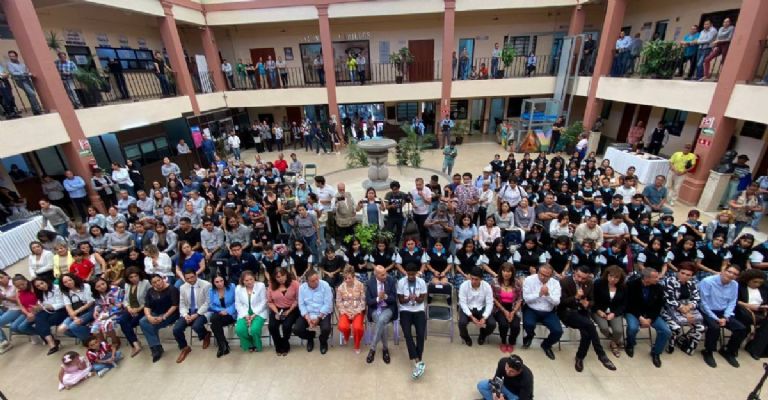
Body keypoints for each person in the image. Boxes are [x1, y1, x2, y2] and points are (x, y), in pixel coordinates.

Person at [559, 266, 617, 371]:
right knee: (590, 325)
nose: (580, 279)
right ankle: (601, 355)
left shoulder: (589, 283)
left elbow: (592, 301)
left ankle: (580, 357)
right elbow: (561, 303)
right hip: (568, 312)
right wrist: (575, 297)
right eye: (578, 276)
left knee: (587, 333)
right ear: (574, 272)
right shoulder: (564, 282)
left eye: (583, 278)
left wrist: (587, 304)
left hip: (582, 312)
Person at [699, 265, 747, 368]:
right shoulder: (707, 281)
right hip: (707, 310)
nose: (731, 275)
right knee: (714, 327)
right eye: (729, 272)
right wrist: (716, 318)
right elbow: (703, 303)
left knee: (741, 329)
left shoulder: (735, 284)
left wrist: (726, 316)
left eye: (735, 274)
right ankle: (708, 351)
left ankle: (728, 351)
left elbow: (732, 302)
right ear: (723, 271)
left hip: (724, 312)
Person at [624, 268, 670, 367]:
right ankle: (630, 344)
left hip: (650, 314)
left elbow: (658, 306)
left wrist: (650, 319)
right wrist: (640, 318)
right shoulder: (631, 285)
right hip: (634, 312)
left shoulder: (658, 287)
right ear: (646, 278)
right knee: (633, 328)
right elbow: (629, 304)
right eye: (655, 277)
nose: (658, 279)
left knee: (666, 331)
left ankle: (656, 352)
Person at [661, 262, 705, 355]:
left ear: (692, 276)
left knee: (701, 328)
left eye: (688, 275)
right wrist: (685, 312)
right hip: (669, 310)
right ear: (678, 271)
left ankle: (684, 342)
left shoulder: (692, 283)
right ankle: (671, 346)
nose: (684, 276)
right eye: (682, 273)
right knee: (676, 328)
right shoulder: (669, 281)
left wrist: (689, 307)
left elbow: (696, 298)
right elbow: (669, 300)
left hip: (689, 310)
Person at [521, 264, 562, 359]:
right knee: (528, 324)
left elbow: (557, 302)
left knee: (558, 331)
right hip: (532, 309)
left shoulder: (555, 283)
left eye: (545, 275)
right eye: (540, 273)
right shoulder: (529, 280)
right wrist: (539, 294)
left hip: (548, 312)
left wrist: (547, 295)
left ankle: (546, 345)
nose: (542, 277)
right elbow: (526, 298)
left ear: (551, 276)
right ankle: (530, 336)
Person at [172, 270, 211, 363]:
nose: (190, 280)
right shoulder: (183, 287)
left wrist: (197, 314)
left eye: (192, 277)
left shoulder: (206, 285)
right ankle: (184, 347)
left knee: (196, 326)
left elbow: (208, 303)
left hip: (202, 310)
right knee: (176, 329)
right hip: (188, 311)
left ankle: (205, 334)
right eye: (187, 278)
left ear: (196, 275)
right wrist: (185, 315)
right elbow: (182, 304)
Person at [140, 274, 180, 363]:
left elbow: (174, 306)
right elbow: (147, 306)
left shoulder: (172, 289)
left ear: (162, 279)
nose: (157, 283)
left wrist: (163, 317)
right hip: (156, 313)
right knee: (143, 321)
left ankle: (156, 349)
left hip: (170, 314)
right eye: (154, 282)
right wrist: (149, 317)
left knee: (151, 326)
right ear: (151, 284)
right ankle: (157, 347)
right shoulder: (150, 291)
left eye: (158, 280)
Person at [398, 263, 428, 378]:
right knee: (407, 334)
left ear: (416, 273)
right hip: (405, 310)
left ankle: (418, 360)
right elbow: (400, 300)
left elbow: (422, 300)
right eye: (409, 274)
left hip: (419, 310)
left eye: (413, 274)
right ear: (406, 273)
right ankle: (418, 361)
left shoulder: (421, 282)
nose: (410, 276)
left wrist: (416, 298)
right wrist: (408, 299)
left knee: (421, 334)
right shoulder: (401, 282)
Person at [294, 269, 333, 354]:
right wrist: (308, 318)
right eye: (313, 281)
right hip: (308, 313)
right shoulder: (302, 288)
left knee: (326, 329)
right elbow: (301, 305)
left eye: (317, 279)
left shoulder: (325, 285)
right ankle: (310, 337)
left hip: (322, 313)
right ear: (307, 282)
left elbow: (328, 304)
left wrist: (318, 318)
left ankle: (323, 341)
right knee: (297, 329)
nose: (316, 282)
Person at [364, 265, 397, 363]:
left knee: (382, 320)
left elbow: (394, 299)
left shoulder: (391, 281)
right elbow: (369, 302)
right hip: (375, 309)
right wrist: (378, 298)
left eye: (385, 273)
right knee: (383, 324)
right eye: (382, 275)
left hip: (388, 308)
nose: (385, 276)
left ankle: (372, 349)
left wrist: (385, 296)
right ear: (376, 275)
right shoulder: (369, 283)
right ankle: (385, 350)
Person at [458, 267, 497, 347]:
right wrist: (471, 316)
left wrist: (484, 317)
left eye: (476, 279)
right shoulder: (463, 286)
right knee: (461, 323)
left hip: (481, 307)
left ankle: (483, 334)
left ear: (481, 279)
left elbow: (490, 303)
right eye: (472, 278)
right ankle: (466, 337)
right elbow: (463, 303)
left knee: (492, 324)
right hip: (468, 307)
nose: (473, 281)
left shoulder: (487, 286)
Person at [267, 267, 299, 356]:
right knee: (272, 326)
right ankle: (278, 344)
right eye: (278, 277)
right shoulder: (271, 286)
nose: (281, 278)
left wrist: (289, 311)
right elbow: (270, 302)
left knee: (286, 326)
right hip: (276, 308)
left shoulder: (295, 284)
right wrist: (276, 312)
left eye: (283, 275)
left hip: (292, 308)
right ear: (274, 278)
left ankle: (285, 343)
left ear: (286, 274)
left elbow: (297, 299)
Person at [118, 267, 149, 357]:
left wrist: (138, 309)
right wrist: (129, 308)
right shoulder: (127, 285)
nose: (134, 278)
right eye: (131, 277)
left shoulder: (145, 283)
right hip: (131, 308)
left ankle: (135, 343)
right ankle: (135, 344)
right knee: (122, 321)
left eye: (136, 276)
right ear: (128, 278)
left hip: (143, 308)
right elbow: (125, 300)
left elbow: (149, 299)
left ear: (139, 275)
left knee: (129, 324)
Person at [737, 269, 768, 359]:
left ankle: (756, 349)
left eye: (760, 282)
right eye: (755, 282)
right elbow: (735, 301)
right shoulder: (739, 286)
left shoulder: (764, 287)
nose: (757, 284)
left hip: (761, 311)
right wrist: (750, 306)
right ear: (747, 280)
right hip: (743, 310)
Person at [234, 271, 267, 353]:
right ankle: (248, 345)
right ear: (242, 281)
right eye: (246, 280)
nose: (249, 282)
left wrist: (254, 314)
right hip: (244, 312)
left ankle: (257, 345)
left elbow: (264, 302)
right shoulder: (238, 288)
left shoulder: (261, 285)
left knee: (254, 329)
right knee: (239, 329)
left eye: (251, 279)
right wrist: (245, 315)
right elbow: (238, 303)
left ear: (254, 278)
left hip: (259, 312)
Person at [336, 266, 366, 353]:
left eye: (349, 278)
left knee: (357, 328)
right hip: (345, 311)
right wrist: (345, 312)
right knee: (342, 326)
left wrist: (356, 312)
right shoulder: (340, 287)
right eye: (345, 278)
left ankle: (357, 345)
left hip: (358, 311)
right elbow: (338, 302)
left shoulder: (360, 285)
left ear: (354, 277)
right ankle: (347, 334)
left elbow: (363, 301)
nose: (347, 280)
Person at [493, 263, 521, 353]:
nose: (506, 273)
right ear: (501, 271)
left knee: (516, 326)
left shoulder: (517, 282)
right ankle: (503, 341)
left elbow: (520, 299)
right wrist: (504, 311)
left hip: (513, 307)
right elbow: (493, 298)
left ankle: (511, 342)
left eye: (509, 271)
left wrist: (513, 312)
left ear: (512, 273)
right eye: (504, 271)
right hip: (499, 307)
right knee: (503, 324)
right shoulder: (495, 282)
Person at [6, 50, 43, 114]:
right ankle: (37, 108)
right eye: (10, 56)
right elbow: (13, 73)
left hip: (27, 79)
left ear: (16, 56)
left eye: (13, 56)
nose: (12, 58)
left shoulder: (21, 64)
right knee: (32, 93)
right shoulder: (10, 64)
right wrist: (23, 73)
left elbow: (26, 71)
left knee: (30, 94)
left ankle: (35, 110)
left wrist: (29, 74)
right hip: (21, 81)